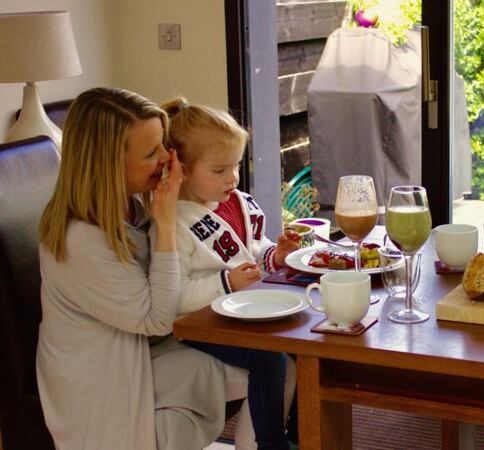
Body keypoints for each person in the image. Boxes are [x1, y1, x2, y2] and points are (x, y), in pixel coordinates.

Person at [36, 87, 227, 450]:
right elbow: (155, 319)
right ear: (108, 163)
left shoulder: (130, 206)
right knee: (219, 370)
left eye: (162, 144)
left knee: (266, 362)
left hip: (142, 348)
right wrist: (168, 224)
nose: (166, 159)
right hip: (100, 376)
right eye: (151, 152)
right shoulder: (81, 240)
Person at [157, 97, 301, 450]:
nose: (233, 178)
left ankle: (295, 432)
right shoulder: (174, 221)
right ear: (183, 169)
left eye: (236, 165)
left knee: (301, 341)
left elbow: (251, 251)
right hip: (197, 324)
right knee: (268, 358)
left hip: (241, 312)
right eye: (219, 170)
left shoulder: (235, 201)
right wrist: (226, 283)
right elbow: (176, 294)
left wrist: (275, 256)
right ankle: (270, 442)